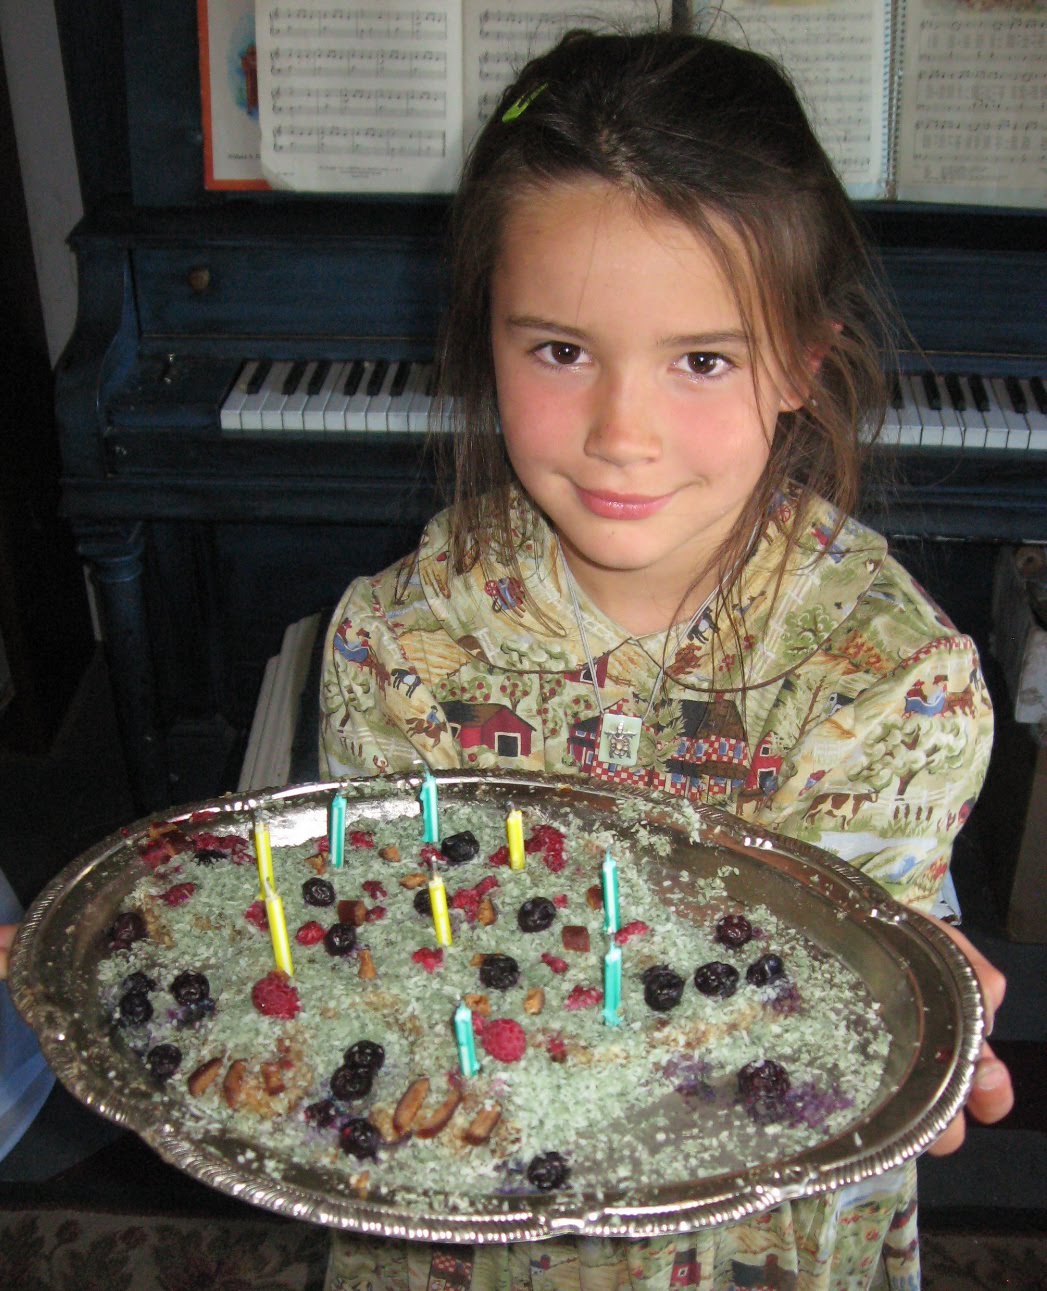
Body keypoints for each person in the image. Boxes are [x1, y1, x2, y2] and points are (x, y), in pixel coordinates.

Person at [5, 25, 1013, 1291]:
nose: (622, 433)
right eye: (561, 351)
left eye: (703, 360)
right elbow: (371, 949)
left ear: (805, 362)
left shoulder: (892, 680)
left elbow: (821, 1000)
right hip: (461, 1203)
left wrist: (911, 986)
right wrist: (152, 954)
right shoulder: (401, 642)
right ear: (487, 332)